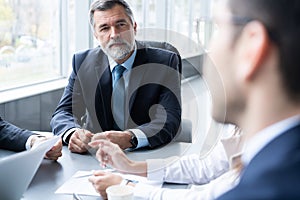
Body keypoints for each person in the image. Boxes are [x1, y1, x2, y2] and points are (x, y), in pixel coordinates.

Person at [89, 0, 300, 199]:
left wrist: (126, 188)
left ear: (251, 47)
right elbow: (206, 168)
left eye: (217, 28)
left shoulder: (268, 186)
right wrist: (130, 167)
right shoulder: (272, 151)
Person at [50, 0, 181, 154]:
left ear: (134, 27)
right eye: (104, 28)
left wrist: (129, 138)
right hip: (94, 157)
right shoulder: (82, 62)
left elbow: (168, 120)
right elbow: (63, 113)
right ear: (96, 35)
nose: (114, 34)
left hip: (146, 154)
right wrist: (72, 133)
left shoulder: (165, 62)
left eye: (121, 25)